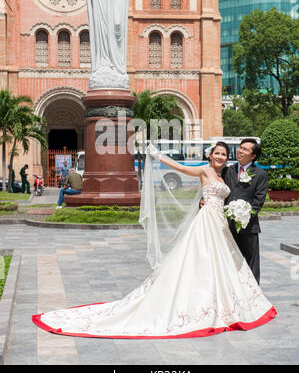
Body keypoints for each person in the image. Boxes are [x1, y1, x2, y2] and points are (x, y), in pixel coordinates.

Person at [33, 141, 276, 339]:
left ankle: (228, 301)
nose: (221, 157)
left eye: (224, 154)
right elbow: (180, 168)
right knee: (198, 260)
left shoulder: (226, 173)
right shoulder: (204, 170)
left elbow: (233, 194)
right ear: (210, 155)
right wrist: (158, 156)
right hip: (205, 223)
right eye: (217, 153)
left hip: (221, 224)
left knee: (223, 263)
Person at [222, 138, 268, 285]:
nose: (240, 151)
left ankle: (255, 297)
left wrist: (243, 216)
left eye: (245, 149)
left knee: (251, 264)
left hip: (249, 227)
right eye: (240, 148)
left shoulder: (260, 174)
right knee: (230, 262)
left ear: (253, 156)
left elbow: (258, 201)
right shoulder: (227, 170)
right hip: (227, 228)